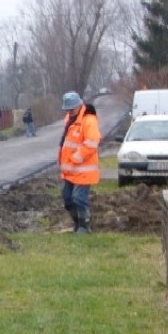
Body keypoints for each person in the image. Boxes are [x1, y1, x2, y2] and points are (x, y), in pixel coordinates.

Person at [59, 91, 101, 234]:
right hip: (69, 170)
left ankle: (84, 226)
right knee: (67, 199)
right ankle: (77, 223)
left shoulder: (89, 120)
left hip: (83, 169)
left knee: (78, 199)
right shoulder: (69, 119)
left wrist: (76, 158)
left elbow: (91, 142)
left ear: (79, 105)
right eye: (67, 109)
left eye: (71, 109)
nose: (69, 112)